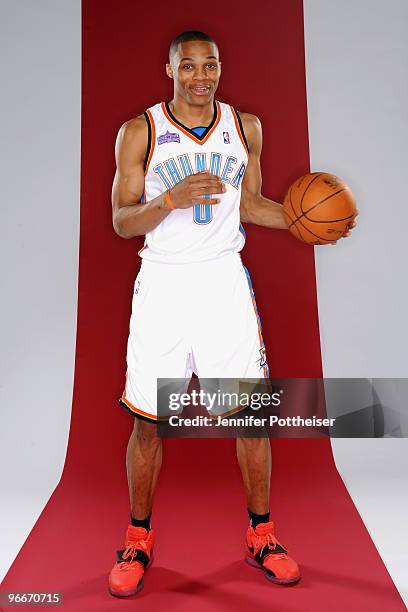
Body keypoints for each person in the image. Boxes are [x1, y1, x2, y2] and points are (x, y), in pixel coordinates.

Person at [108, 30, 353, 597]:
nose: (201, 77)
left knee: (250, 416)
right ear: (170, 69)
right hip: (163, 284)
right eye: (189, 66)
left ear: (220, 69)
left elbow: (250, 206)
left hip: (222, 282)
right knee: (149, 420)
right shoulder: (140, 131)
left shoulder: (246, 127)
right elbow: (121, 221)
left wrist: (304, 221)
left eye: (210, 65)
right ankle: (137, 538)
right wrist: (168, 200)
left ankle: (261, 535)